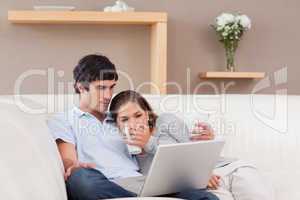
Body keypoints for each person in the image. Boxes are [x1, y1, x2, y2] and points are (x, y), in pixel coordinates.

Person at [47, 54, 219, 200]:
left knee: (202, 195)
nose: (108, 96)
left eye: (112, 87)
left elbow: (165, 144)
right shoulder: (64, 119)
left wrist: (198, 163)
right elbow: (67, 159)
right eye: (101, 88)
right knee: (80, 179)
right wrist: (73, 166)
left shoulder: (121, 116)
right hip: (105, 183)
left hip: (141, 182)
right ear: (80, 87)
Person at [108, 90, 274, 200]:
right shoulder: (129, 156)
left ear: (148, 114)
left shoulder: (166, 121)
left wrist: (149, 142)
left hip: (229, 170)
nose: (134, 123)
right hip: (206, 187)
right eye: (125, 119)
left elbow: (190, 152)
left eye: (138, 115)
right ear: (116, 124)